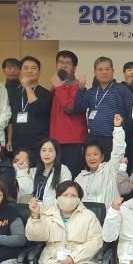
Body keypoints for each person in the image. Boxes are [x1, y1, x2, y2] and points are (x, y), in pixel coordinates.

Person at [74, 56, 133, 154]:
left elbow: (132, 114)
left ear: (113, 71)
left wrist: (124, 131)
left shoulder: (122, 90)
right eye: (100, 70)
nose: (104, 72)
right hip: (93, 139)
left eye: (107, 69)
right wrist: (80, 88)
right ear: (95, 72)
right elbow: (78, 108)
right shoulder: (91, 92)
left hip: (114, 139)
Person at [73, 115, 126, 208]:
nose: (91, 158)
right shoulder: (79, 178)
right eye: (88, 155)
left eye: (95, 154)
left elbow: (118, 151)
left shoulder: (110, 169)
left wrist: (118, 128)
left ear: (102, 157)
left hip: (108, 215)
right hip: (86, 216)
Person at [50, 50, 88, 179]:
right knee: (56, 179)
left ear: (74, 68)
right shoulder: (55, 86)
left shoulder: (78, 86)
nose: (63, 66)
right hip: (55, 140)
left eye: (67, 63)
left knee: (72, 179)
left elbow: (69, 108)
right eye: (60, 62)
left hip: (73, 142)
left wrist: (58, 87)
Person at [7, 56, 52, 158]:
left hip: (38, 143)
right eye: (26, 68)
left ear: (39, 72)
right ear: (20, 71)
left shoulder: (45, 93)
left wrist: (27, 87)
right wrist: (9, 140)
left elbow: (38, 110)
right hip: (17, 143)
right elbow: (10, 119)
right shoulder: (13, 93)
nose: (29, 71)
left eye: (33, 68)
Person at [16, 138, 72, 208]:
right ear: (39, 153)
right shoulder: (32, 171)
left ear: (56, 153)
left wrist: (41, 206)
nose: (46, 154)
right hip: (31, 209)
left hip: (53, 210)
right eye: (44, 150)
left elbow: (66, 195)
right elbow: (26, 191)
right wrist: (22, 170)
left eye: (50, 151)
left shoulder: (63, 170)